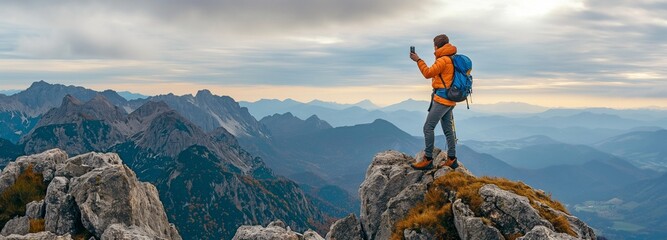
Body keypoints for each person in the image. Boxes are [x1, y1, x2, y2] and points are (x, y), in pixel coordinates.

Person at [409, 34, 459, 170]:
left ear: (436, 46)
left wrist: (418, 60)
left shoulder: (443, 60)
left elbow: (428, 73)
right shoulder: (453, 58)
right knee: (448, 130)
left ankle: (428, 159)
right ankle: (452, 159)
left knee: (428, 127)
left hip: (442, 99)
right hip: (450, 99)